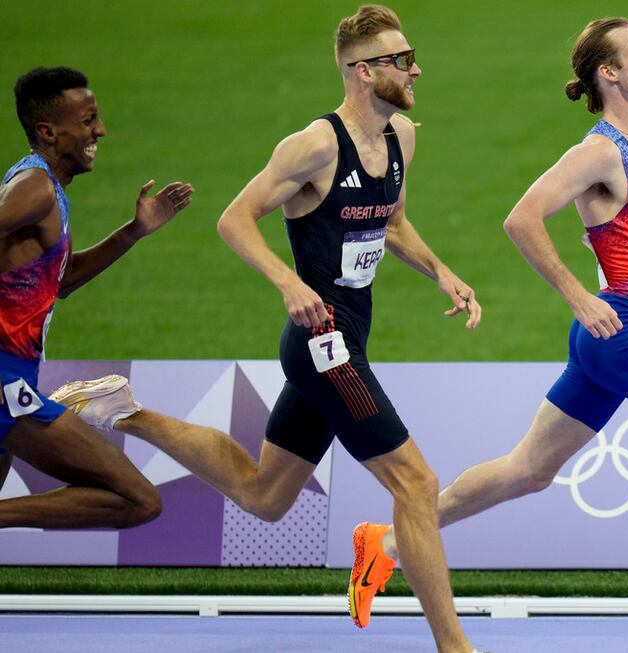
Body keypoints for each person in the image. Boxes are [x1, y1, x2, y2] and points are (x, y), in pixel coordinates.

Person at [51, 6, 484, 653]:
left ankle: (124, 409)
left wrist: (440, 270)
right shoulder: (313, 146)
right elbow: (235, 218)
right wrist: (287, 281)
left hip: (352, 330)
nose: (415, 67)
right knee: (415, 483)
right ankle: (456, 646)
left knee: (263, 493)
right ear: (363, 72)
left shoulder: (402, 138)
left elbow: (390, 223)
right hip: (321, 338)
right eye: (401, 60)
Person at [360, 17, 628, 639]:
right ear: (610, 72)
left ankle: (386, 540)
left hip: (614, 340)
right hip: (624, 335)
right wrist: (577, 296)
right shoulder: (597, 153)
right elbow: (521, 219)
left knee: (528, 471)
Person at [0, 67, 192, 531]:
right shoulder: (36, 188)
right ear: (49, 132)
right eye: (87, 120)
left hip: (16, 372)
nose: (100, 131)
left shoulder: (43, 185)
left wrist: (134, 232)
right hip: (6, 383)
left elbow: (60, 282)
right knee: (137, 500)